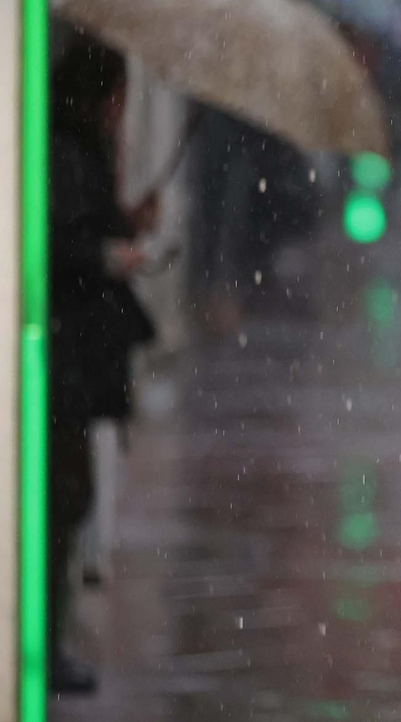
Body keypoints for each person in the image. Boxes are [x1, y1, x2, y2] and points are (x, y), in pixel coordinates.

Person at [48, 40, 157, 694]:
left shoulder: (80, 152)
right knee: (65, 496)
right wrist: (113, 255)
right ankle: (45, 637)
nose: (122, 110)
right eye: (117, 96)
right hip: (65, 361)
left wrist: (129, 222)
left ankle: (51, 632)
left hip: (76, 363)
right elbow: (66, 244)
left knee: (72, 493)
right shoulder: (66, 154)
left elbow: (87, 226)